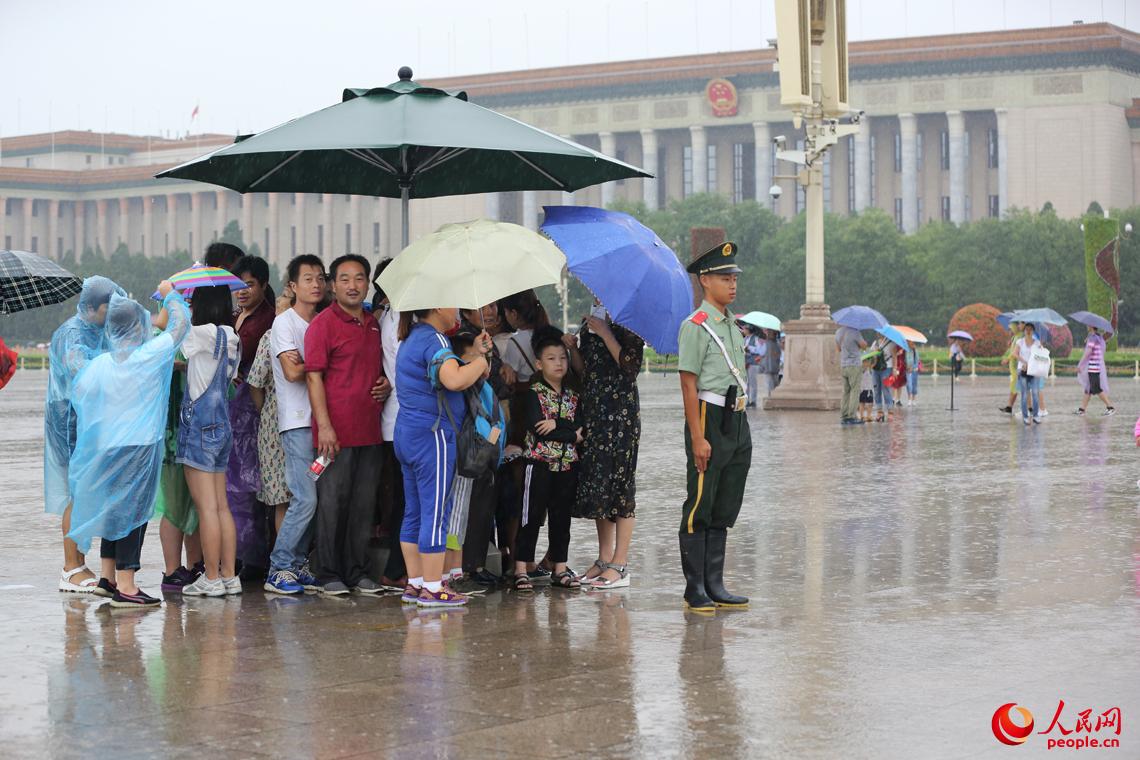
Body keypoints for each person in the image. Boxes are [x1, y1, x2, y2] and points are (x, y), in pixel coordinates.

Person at [68, 284, 190, 607]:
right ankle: (128, 585)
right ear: (138, 328)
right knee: (133, 515)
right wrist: (171, 295)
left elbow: (78, 379)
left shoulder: (102, 365)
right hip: (138, 448)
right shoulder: (147, 357)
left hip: (108, 448)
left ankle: (107, 578)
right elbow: (179, 328)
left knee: (113, 512)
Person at [394, 306, 493, 608]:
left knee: (414, 512)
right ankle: (435, 587)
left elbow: (443, 373)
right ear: (438, 307)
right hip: (432, 436)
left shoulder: (413, 337)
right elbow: (453, 380)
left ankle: (416, 583)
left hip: (408, 433)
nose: (457, 311)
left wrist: (474, 355)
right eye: (452, 304)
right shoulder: (434, 340)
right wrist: (482, 360)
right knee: (436, 512)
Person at [304, 254, 389, 595]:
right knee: (331, 503)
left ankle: (357, 572)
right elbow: (313, 378)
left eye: (359, 278)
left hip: (370, 431)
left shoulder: (373, 324)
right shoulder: (322, 324)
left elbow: (379, 368)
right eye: (344, 279)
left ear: (367, 283)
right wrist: (324, 427)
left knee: (363, 505)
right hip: (333, 435)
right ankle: (327, 573)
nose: (352, 285)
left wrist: (385, 383)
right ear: (332, 285)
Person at [676, 242, 751, 613]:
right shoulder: (696, 327)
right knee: (701, 502)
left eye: (734, 277)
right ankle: (695, 589)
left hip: (736, 419)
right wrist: (697, 437)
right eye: (725, 278)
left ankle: (715, 583)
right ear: (705, 281)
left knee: (725, 502)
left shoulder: (732, 325)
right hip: (708, 415)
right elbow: (688, 384)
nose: (732, 284)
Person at [44, 275, 125, 593]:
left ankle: (78, 562)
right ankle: (70, 566)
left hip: (87, 419)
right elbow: (83, 372)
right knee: (78, 494)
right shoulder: (72, 333)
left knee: (86, 492)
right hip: (70, 420)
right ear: (95, 306)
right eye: (110, 307)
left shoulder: (96, 330)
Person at [263, 255, 325, 595]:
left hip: (321, 423)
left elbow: (309, 368)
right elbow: (292, 371)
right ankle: (280, 566)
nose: (315, 285)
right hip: (297, 423)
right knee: (305, 499)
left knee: (314, 497)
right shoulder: (285, 324)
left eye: (319, 278)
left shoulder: (322, 321)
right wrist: (327, 364)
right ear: (292, 286)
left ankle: (298, 564)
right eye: (307, 279)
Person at [176, 285, 242, 597]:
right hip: (222, 426)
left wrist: (170, 296)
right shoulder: (232, 336)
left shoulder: (200, 333)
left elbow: (173, 328)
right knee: (221, 506)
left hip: (200, 427)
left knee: (206, 510)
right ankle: (229, 576)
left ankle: (211, 578)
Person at [571, 305, 643, 590]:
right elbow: (584, 372)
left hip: (620, 415)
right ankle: (603, 559)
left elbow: (630, 367)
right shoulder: (590, 318)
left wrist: (605, 332)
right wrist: (574, 348)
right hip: (594, 411)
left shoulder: (631, 321)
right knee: (599, 483)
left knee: (621, 484)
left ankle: (620, 563)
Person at [513, 327, 582, 592]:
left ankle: (560, 568)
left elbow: (581, 426)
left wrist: (557, 423)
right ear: (539, 364)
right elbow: (536, 429)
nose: (559, 363)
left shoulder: (573, 395)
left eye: (563, 358)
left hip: (567, 465)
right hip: (539, 464)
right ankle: (521, 568)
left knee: (561, 518)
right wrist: (570, 434)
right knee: (530, 517)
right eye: (552, 359)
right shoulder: (534, 393)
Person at [441, 328, 504, 595]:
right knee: (453, 519)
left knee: (460, 517)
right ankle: (450, 575)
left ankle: (456, 573)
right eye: (471, 360)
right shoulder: (459, 384)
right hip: (463, 458)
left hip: (472, 458)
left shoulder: (479, 384)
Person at [229, 255, 277, 579]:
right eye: (239, 284)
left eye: (250, 284)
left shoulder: (267, 321)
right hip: (235, 413)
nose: (243, 290)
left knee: (251, 489)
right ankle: (237, 554)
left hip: (253, 415)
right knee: (234, 488)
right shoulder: (238, 317)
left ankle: (256, 559)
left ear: (263, 285)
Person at [247, 288, 295, 536]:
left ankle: (286, 561)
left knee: (284, 499)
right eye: (277, 308)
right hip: (277, 424)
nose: (279, 314)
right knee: (286, 498)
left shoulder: (272, 336)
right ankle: (287, 559)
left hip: (275, 421)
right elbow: (255, 383)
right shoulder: (272, 336)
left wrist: (265, 408)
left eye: (283, 308)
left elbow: (255, 383)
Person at [373, 259, 408, 589]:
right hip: (403, 421)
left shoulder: (392, 317)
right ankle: (397, 569)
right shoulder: (398, 319)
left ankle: (400, 567)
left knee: (402, 499)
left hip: (399, 421)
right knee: (404, 499)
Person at [1075, 326, 1115, 416]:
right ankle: (1082, 409)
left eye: (1088, 325)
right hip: (1094, 367)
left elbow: (1087, 352)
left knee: (1096, 389)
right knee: (1088, 389)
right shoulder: (1097, 337)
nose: (1086, 326)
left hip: (1094, 368)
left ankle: (1110, 407)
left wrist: (1080, 365)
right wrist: (1088, 340)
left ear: (1092, 326)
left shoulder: (1093, 338)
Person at [1011, 322, 1044, 425]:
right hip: (1023, 370)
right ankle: (1025, 416)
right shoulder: (1020, 342)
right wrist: (1024, 361)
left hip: (1034, 371)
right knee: (1024, 395)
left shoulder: (1037, 343)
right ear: (1024, 331)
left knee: (1035, 393)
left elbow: (1041, 357)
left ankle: (1036, 415)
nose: (1028, 331)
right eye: (1027, 329)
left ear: (1033, 331)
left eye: (1030, 329)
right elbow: (1014, 354)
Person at [835, 323, 867, 426]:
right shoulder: (855, 332)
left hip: (843, 365)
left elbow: (838, 349)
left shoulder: (838, 332)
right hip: (854, 365)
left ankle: (844, 416)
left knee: (846, 391)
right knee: (855, 390)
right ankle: (852, 416)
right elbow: (864, 346)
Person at [999, 321, 1022, 414]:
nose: (1009, 331)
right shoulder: (1015, 337)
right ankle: (1009, 406)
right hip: (1013, 366)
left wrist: (1007, 359)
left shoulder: (1020, 337)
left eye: (1011, 329)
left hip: (1017, 366)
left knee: (1015, 386)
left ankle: (1019, 407)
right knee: (1014, 386)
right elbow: (1010, 350)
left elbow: (1014, 353)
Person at [743, 326, 764, 409]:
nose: (744, 330)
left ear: (749, 330)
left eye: (745, 329)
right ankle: (747, 401)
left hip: (753, 363)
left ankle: (754, 401)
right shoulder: (745, 339)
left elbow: (759, 350)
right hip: (745, 362)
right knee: (746, 383)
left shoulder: (756, 339)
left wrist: (750, 348)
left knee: (753, 383)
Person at [759, 329, 782, 397]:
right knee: (770, 385)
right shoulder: (767, 343)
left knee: (774, 384)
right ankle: (771, 398)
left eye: (771, 333)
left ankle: (773, 398)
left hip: (774, 367)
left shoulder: (776, 344)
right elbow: (762, 353)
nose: (769, 334)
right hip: (768, 367)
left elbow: (778, 355)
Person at [904, 341, 920, 406]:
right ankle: (909, 399)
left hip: (914, 370)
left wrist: (913, 367)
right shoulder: (905, 350)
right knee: (909, 385)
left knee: (914, 384)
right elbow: (904, 360)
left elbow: (917, 360)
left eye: (911, 342)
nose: (910, 343)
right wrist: (907, 367)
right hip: (907, 370)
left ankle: (913, 399)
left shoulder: (915, 350)